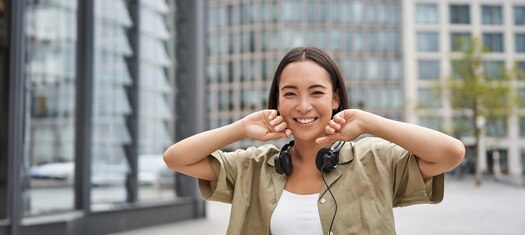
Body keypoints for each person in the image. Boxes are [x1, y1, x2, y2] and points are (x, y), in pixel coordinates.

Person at [163, 47, 465, 235]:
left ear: (335, 98)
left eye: (317, 92)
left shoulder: (376, 160)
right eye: (290, 93)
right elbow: (176, 158)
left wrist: (371, 123)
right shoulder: (252, 166)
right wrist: (240, 128)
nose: (303, 106)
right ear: (277, 100)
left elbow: (450, 153)